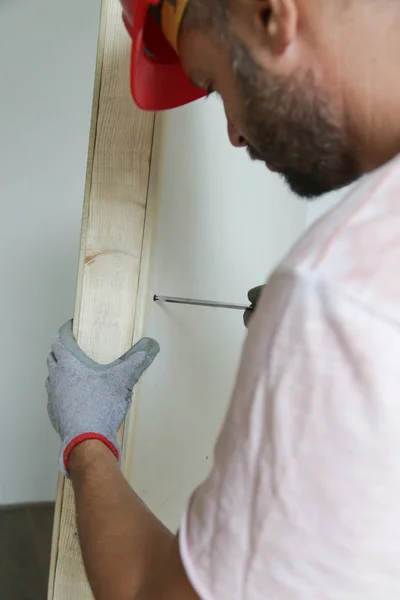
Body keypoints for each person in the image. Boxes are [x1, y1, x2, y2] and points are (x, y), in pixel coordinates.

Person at [46, 1, 400, 598]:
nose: (233, 133)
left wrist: (87, 440)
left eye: (211, 84)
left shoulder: (338, 296)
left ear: (270, 14)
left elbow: (147, 592)